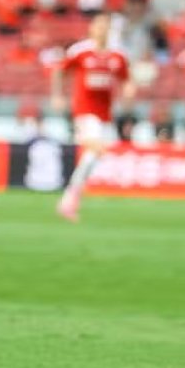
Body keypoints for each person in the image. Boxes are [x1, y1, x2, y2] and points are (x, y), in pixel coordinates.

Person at [51, 12, 133, 221]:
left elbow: (126, 79)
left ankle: (70, 199)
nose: (102, 30)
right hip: (84, 110)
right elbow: (59, 71)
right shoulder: (81, 51)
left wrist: (128, 93)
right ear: (92, 28)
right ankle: (70, 197)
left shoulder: (118, 55)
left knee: (93, 157)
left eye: (106, 26)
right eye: (99, 26)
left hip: (105, 113)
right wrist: (58, 96)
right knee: (96, 147)